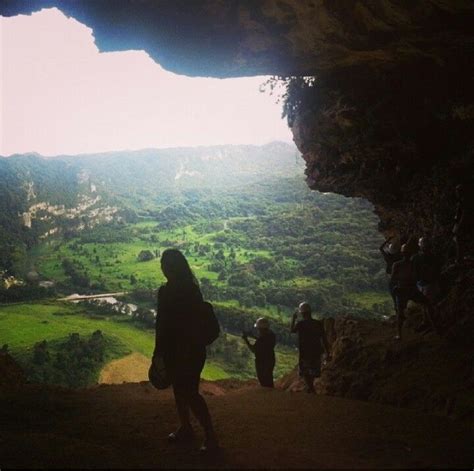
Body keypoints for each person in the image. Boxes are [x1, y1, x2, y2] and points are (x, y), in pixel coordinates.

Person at [153, 249, 218, 453]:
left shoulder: (170, 292)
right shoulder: (192, 289)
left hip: (182, 350)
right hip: (190, 349)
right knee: (183, 390)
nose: (163, 268)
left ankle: (208, 435)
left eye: (165, 264)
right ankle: (188, 428)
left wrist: (159, 351)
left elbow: (162, 324)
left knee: (187, 392)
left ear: (171, 268)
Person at [391, 244, 435, 341]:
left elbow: (393, 278)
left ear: (402, 253)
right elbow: (417, 276)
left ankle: (399, 335)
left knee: (400, 313)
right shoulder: (412, 263)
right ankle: (434, 326)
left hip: (403, 289)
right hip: (410, 289)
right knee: (426, 304)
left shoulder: (398, 264)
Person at [290, 302, 331, 394]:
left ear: (302, 313)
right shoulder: (318, 324)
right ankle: (310, 388)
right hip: (316, 351)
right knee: (313, 370)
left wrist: (293, 319)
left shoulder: (300, 324)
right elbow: (324, 338)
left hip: (305, 352)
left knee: (305, 371)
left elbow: (292, 330)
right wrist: (328, 352)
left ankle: (311, 388)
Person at [411, 237, 442, 333]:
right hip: (432, 283)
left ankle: (433, 326)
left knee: (426, 306)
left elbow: (414, 272)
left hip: (423, 284)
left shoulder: (416, 257)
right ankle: (429, 323)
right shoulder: (435, 257)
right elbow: (438, 270)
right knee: (428, 305)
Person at [242, 317, 276, 388]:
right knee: (269, 378)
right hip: (271, 359)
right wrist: (253, 336)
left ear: (261, 328)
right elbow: (265, 341)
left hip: (261, 362)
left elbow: (253, 350)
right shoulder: (272, 335)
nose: (258, 330)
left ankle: (266, 396)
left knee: (263, 381)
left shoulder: (261, 340)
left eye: (258, 328)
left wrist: (246, 340)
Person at [379, 236, 402, 311]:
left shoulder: (388, 258)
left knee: (394, 297)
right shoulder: (399, 257)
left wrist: (388, 240)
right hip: (400, 279)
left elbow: (381, 248)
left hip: (392, 279)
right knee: (400, 298)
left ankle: (397, 312)